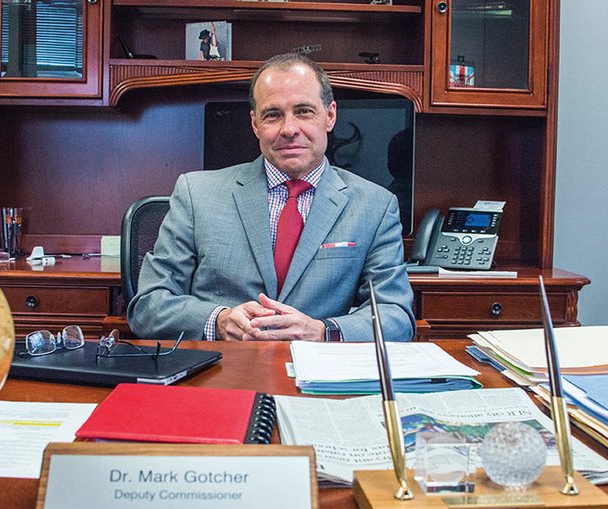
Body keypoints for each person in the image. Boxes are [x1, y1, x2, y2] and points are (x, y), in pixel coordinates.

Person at [127, 53, 415, 342]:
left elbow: (396, 316)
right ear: (255, 124)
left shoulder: (375, 206)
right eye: (273, 115)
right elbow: (148, 306)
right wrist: (218, 320)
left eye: (304, 111)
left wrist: (322, 330)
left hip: (319, 375)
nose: (289, 129)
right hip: (222, 373)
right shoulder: (196, 194)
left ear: (330, 115)